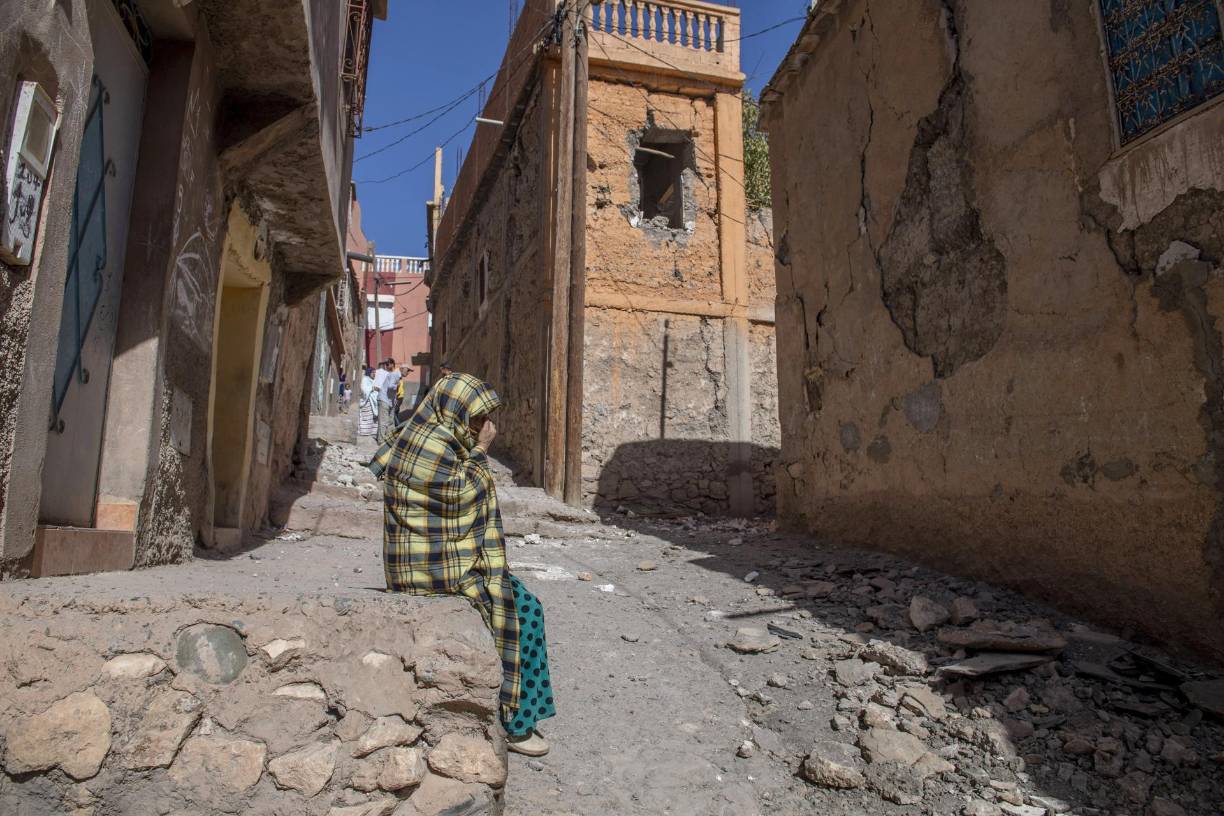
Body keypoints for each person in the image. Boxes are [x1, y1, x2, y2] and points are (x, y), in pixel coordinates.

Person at [368, 373, 555, 756]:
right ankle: (516, 724)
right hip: (432, 570)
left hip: (443, 558)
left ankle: (520, 715)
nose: (483, 428)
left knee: (524, 604)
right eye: (475, 419)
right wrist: (482, 451)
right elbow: (462, 496)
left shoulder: (433, 436)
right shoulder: (430, 447)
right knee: (522, 613)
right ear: (453, 411)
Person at [357, 366, 378, 437]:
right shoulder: (365, 379)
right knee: (367, 418)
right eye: (373, 372)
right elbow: (364, 389)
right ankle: (364, 431)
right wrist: (372, 389)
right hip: (367, 402)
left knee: (373, 419)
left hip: (374, 401)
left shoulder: (374, 380)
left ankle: (372, 431)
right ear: (369, 372)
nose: (374, 374)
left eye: (375, 373)